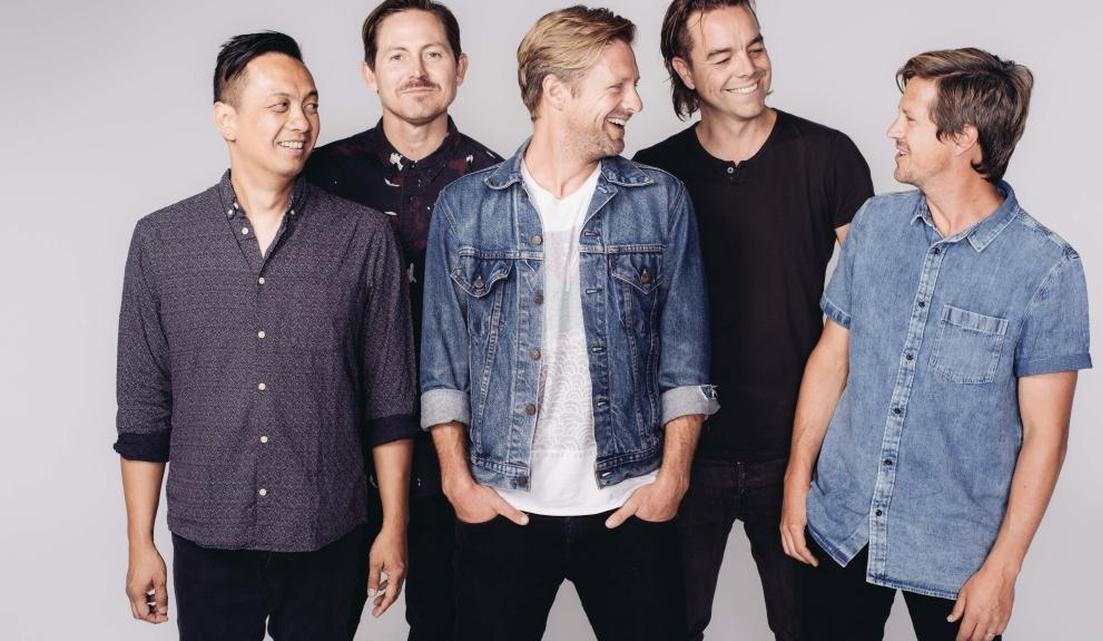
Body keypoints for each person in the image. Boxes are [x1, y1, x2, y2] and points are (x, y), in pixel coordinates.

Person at [418, 6, 718, 640]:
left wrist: (673, 478)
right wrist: (457, 483)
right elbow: (442, 363)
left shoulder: (659, 200)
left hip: (628, 503)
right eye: (619, 86)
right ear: (556, 90)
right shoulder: (465, 207)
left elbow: (685, 359)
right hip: (503, 505)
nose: (636, 103)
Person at [779, 48, 1091, 641]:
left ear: (963, 138)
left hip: (957, 552)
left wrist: (1003, 569)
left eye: (910, 119)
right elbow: (831, 358)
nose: (892, 130)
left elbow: (1045, 436)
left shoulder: (1047, 268)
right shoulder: (874, 223)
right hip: (841, 525)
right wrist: (798, 485)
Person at [115, 31, 416, 640]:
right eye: (280, 104)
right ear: (226, 118)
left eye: (310, 103)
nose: (302, 122)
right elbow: (144, 411)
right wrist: (141, 543)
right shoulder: (161, 241)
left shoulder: (362, 239)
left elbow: (389, 402)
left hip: (329, 526)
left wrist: (393, 526)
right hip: (208, 533)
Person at [633, 2, 872, 638]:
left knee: (812, 629)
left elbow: (877, 306)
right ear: (683, 70)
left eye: (755, 47)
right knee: (665, 626)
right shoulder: (653, 174)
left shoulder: (828, 156)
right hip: (679, 451)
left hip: (799, 450)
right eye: (722, 56)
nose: (750, 68)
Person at [305, 2, 500, 637]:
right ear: (369, 73)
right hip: (336, 455)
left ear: (461, 67)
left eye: (434, 54)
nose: (416, 71)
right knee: (318, 624)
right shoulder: (320, 179)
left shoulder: (500, 184)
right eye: (397, 55)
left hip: (462, 459)